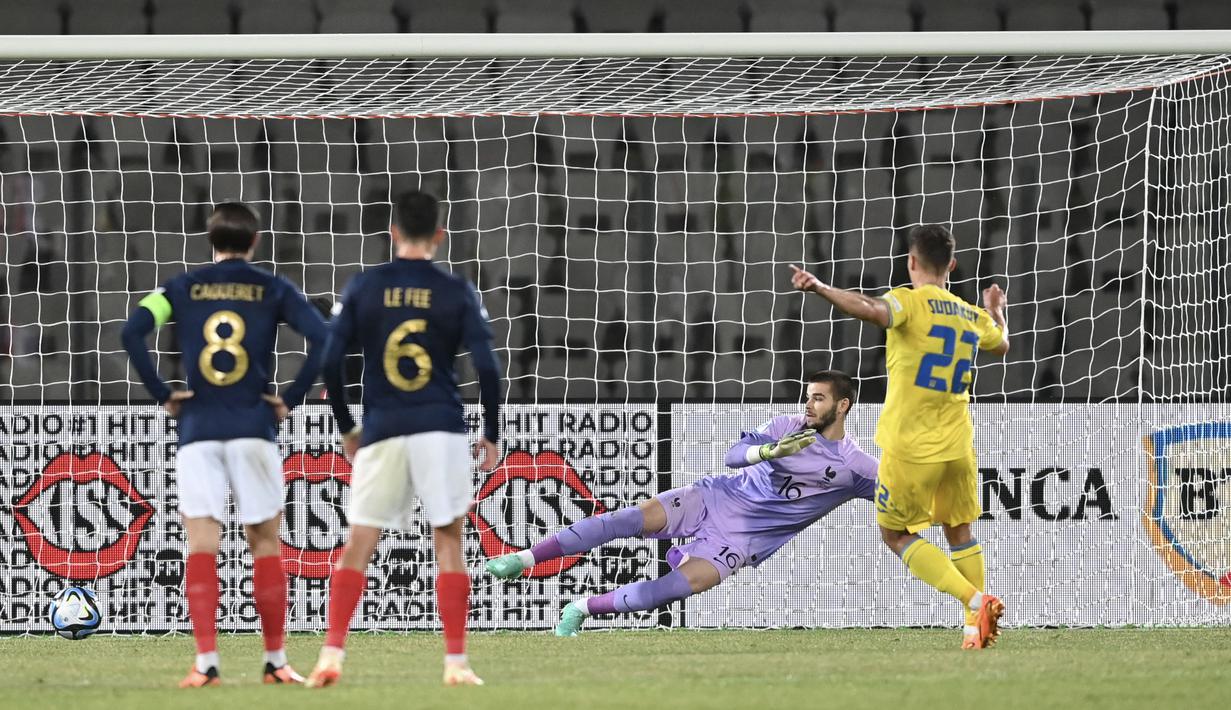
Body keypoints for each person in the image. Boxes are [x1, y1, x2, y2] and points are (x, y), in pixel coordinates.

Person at [487, 370, 877, 636]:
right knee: (624, 520)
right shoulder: (785, 426)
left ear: (842, 405)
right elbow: (733, 456)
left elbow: (895, 494)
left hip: (740, 540)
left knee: (673, 589)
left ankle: (581, 609)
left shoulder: (854, 466)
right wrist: (769, 452)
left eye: (818, 399)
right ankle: (523, 559)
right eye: (807, 397)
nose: (808, 405)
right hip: (713, 497)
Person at [121, 202, 327, 686]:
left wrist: (163, 393)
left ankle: (206, 664)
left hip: (199, 431)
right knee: (265, 544)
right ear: (254, 241)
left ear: (211, 241)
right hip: (255, 426)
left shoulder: (180, 287)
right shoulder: (273, 288)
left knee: (202, 545)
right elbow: (323, 336)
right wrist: (291, 398)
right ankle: (276, 661)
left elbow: (131, 332)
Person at [306, 190, 502, 688]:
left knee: (359, 542)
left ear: (393, 233)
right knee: (449, 541)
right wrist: (491, 431)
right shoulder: (456, 290)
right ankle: (456, 663)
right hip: (440, 427)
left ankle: (331, 655)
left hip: (383, 427)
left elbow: (330, 361)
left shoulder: (365, 286)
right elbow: (487, 367)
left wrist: (347, 426)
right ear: (439, 234)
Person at [789, 223, 1010, 649]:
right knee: (959, 529)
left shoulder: (908, 301)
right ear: (951, 265)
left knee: (895, 534)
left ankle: (976, 601)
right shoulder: (970, 314)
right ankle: (975, 629)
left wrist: (820, 288)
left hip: (911, 448)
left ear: (911, 262)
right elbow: (1001, 344)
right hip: (958, 445)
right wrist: (996, 309)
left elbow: (870, 309)